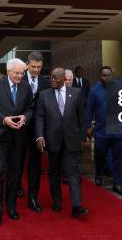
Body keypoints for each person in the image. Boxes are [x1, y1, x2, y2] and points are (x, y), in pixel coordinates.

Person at [0, 58, 34, 228]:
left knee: (15, 173)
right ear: (8, 72)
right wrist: (4, 119)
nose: (20, 76)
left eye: (22, 73)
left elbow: (30, 108)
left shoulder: (26, 87)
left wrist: (25, 117)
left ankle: (11, 206)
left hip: (18, 137)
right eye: (17, 73)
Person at [35, 68, 88, 218]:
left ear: (64, 79)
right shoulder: (44, 95)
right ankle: (57, 200)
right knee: (54, 172)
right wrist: (39, 136)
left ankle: (76, 206)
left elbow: (82, 118)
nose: (52, 80)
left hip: (71, 140)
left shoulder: (76, 93)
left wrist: (82, 138)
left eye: (55, 78)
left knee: (73, 172)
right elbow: (39, 117)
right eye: (51, 77)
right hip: (52, 140)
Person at [85, 66, 122, 195]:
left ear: (112, 75)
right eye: (104, 75)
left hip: (119, 130)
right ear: (100, 76)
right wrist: (88, 126)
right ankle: (99, 173)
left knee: (118, 157)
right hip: (101, 131)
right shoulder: (94, 90)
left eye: (108, 75)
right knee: (100, 155)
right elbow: (89, 110)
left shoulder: (120, 87)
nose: (106, 77)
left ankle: (118, 183)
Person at [18, 51, 50, 212]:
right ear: (27, 65)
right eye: (33, 67)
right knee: (17, 159)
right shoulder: (19, 79)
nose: (36, 70)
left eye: (39, 67)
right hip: (19, 127)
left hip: (37, 129)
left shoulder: (45, 83)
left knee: (35, 164)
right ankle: (16, 185)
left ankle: (33, 197)